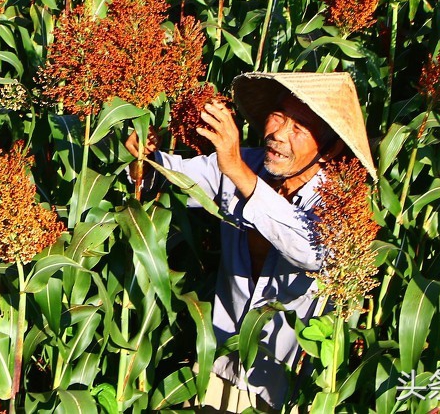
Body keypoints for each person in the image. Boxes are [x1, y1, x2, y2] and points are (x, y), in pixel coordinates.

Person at [124, 71, 377, 413]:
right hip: (217, 364)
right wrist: (143, 158)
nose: (279, 134)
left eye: (299, 128)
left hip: (282, 387)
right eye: (278, 116)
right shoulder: (248, 163)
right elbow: (170, 175)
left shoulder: (339, 201)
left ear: (330, 148)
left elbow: (313, 251)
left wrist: (237, 169)